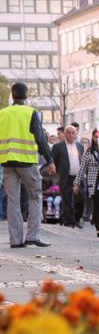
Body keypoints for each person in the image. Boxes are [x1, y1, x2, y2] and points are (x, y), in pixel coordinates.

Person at [0, 82, 54, 247]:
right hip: (27, 162)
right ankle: (32, 235)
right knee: (35, 196)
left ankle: (15, 240)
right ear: (26, 95)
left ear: (13, 95)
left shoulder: (2, 113)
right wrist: (50, 160)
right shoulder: (31, 113)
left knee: (13, 200)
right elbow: (40, 138)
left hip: (8, 162)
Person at [51, 125, 85, 228]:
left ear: (76, 134)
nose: (71, 135)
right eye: (68, 133)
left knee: (81, 199)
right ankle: (69, 222)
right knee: (67, 200)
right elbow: (54, 161)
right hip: (66, 177)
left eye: (73, 133)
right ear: (65, 134)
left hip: (78, 177)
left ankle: (77, 218)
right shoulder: (58, 147)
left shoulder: (80, 146)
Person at [72, 130, 99, 237]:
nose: (98, 139)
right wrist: (76, 183)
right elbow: (82, 169)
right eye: (95, 137)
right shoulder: (89, 152)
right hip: (94, 182)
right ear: (92, 138)